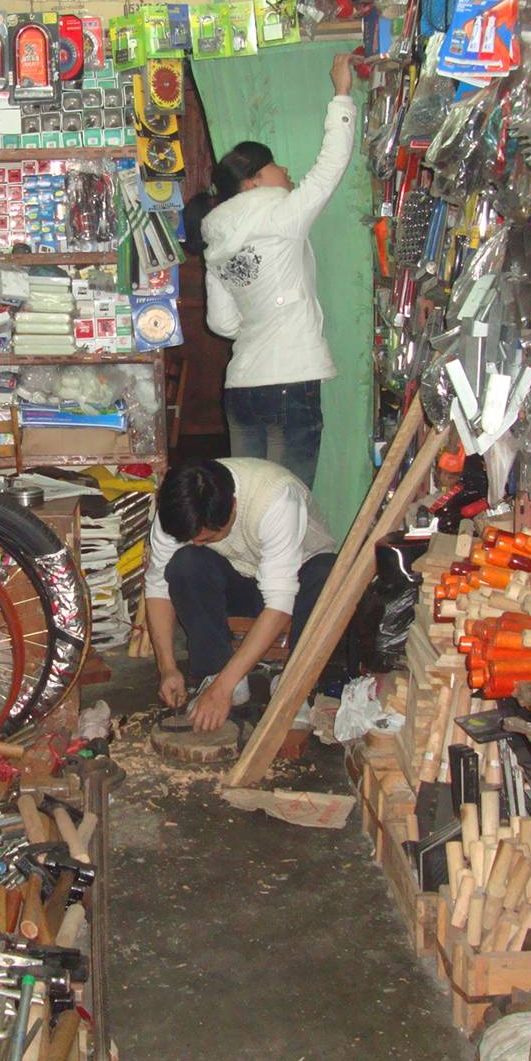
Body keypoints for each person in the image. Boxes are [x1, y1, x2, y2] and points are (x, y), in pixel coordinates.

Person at [184, 53, 358, 487]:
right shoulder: (278, 214)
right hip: (289, 380)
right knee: (289, 504)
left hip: (241, 386)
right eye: (275, 165)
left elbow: (221, 322)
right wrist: (341, 96)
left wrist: (260, 313)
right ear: (253, 181)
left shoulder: (218, 240)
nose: (286, 171)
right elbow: (328, 170)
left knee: (251, 504)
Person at [144, 456, 337, 733]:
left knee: (328, 572)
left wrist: (223, 688)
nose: (200, 543)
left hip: (298, 587)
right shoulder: (175, 508)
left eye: (209, 538)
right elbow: (157, 586)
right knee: (186, 562)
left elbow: (280, 601)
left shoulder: (277, 496)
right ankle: (216, 671)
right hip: (240, 583)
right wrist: (168, 668)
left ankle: (294, 682)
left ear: (233, 506)